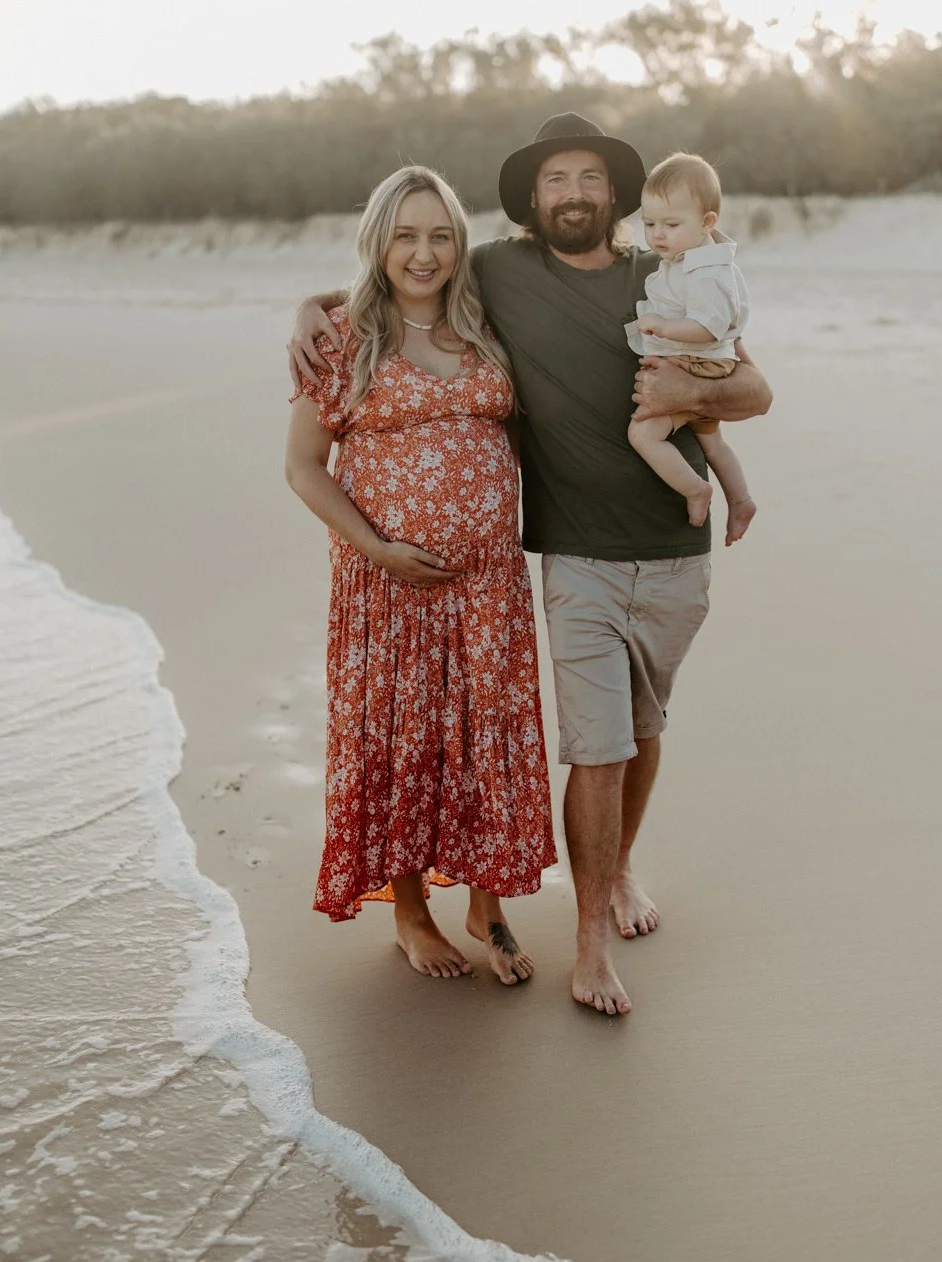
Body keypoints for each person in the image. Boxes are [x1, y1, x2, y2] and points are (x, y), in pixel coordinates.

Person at [288, 115, 772, 1016]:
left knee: (592, 733)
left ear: (615, 192)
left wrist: (687, 391)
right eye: (556, 179)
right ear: (532, 197)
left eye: (589, 177)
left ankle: (555, 889)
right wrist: (311, 305)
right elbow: (396, 282)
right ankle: (506, 931)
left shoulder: (645, 279)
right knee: (519, 745)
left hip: (584, 565)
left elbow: (754, 387)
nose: (574, 193)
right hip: (494, 568)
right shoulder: (486, 280)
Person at [284, 164, 556, 986]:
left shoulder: (486, 324)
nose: (423, 253)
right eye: (404, 235)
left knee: (482, 738)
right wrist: (377, 548)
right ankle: (410, 916)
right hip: (387, 587)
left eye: (440, 235)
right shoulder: (341, 339)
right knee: (401, 743)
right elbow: (303, 467)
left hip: (488, 587)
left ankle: (486, 907)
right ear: (378, 242)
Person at [625, 152, 757, 546]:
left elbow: (709, 325)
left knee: (643, 435)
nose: (657, 235)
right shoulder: (688, 258)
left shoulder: (705, 272)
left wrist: (664, 326)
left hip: (693, 364)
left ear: (707, 222)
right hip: (703, 362)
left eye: (671, 224)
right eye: (649, 223)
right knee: (712, 442)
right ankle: (741, 499)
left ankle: (695, 489)